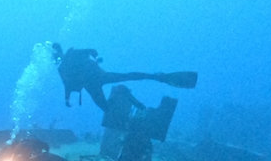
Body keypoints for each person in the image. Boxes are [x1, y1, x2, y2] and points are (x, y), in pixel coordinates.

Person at [51, 42, 191, 111]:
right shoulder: (62, 69)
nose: (58, 58)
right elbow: (67, 85)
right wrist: (67, 98)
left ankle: (157, 77)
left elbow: (92, 51)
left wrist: (97, 58)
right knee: (106, 108)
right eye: (56, 57)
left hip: (98, 76)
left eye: (57, 55)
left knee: (126, 76)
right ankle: (122, 94)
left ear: (60, 51)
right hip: (92, 84)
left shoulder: (72, 54)